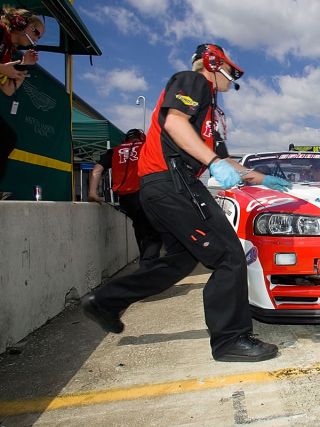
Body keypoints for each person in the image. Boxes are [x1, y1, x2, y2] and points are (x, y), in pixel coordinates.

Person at [82, 43, 291, 362]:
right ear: (212, 63)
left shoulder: (207, 115)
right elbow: (174, 123)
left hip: (159, 188)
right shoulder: (194, 82)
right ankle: (230, 340)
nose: (230, 82)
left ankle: (106, 301)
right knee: (229, 256)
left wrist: (265, 179)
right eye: (230, 73)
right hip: (173, 182)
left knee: (178, 262)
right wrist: (213, 162)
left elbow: (223, 160)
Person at [88, 129, 162, 265]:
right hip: (144, 194)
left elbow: (97, 170)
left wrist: (93, 192)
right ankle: (147, 269)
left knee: (141, 230)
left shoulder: (114, 151)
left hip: (125, 199)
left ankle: (146, 264)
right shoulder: (146, 147)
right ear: (141, 138)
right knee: (154, 233)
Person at [0, 6, 43, 192]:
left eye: (40, 37)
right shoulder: (1, 31)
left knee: (7, 137)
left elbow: (8, 90)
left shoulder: (10, 51)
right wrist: (2, 69)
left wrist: (24, 66)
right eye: (36, 32)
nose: (36, 39)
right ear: (22, 23)